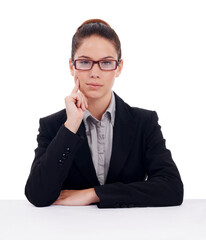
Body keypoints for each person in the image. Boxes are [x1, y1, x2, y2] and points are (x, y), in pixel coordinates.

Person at [25, 19, 184, 208]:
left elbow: (172, 188)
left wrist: (94, 194)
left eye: (106, 63)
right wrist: (71, 126)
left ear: (119, 67)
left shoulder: (144, 123)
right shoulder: (53, 126)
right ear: (71, 66)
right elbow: (37, 195)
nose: (94, 72)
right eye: (84, 62)